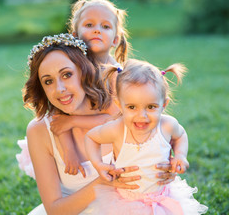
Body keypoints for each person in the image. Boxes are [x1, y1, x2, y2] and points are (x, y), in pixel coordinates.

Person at [17, 34, 176, 214]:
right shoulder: (40, 130)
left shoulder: (123, 110)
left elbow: (165, 137)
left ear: (84, 72)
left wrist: (167, 167)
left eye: (67, 75)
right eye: (48, 81)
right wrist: (103, 182)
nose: (59, 89)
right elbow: (54, 210)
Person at [85, 59, 208, 214]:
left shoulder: (167, 125)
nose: (141, 116)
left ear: (163, 105)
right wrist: (98, 163)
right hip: (125, 202)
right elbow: (91, 137)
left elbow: (181, 135)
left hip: (162, 196)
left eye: (151, 107)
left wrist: (180, 155)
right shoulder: (116, 129)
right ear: (119, 104)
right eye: (131, 107)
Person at [47, 0, 132, 175]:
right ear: (75, 35)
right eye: (89, 25)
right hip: (77, 143)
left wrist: (72, 121)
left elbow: (115, 119)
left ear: (115, 40)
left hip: (111, 145)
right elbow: (58, 116)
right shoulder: (69, 68)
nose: (97, 31)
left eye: (105, 26)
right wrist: (68, 151)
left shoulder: (115, 73)